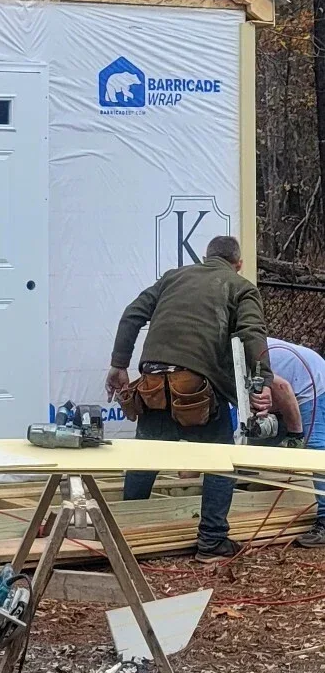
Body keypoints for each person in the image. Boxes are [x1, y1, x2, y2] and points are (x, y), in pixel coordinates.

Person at [105, 235, 271, 560]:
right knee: (221, 462)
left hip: (153, 383)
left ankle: (125, 537)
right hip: (197, 387)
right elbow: (252, 331)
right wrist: (262, 379)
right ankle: (211, 541)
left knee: (144, 458)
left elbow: (131, 314)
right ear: (238, 263)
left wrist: (118, 366)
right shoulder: (240, 285)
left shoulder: (173, 277)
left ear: (206, 257)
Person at [258, 336, 325, 545]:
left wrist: (296, 436)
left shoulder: (237, 355)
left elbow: (284, 388)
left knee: (314, 447)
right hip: (296, 378)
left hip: (309, 381)